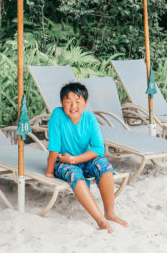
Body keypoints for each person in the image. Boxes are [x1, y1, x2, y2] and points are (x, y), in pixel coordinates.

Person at [45, 82, 128, 233]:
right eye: (68, 101)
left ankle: (109, 213)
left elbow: (98, 149)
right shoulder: (57, 115)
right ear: (61, 103)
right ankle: (100, 219)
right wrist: (49, 172)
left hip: (81, 159)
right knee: (75, 175)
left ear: (85, 103)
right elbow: (54, 148)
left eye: (78, 101)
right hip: (62, 161)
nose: (73, 106)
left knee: (105, 165)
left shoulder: (89, 118)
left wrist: (74, 159)